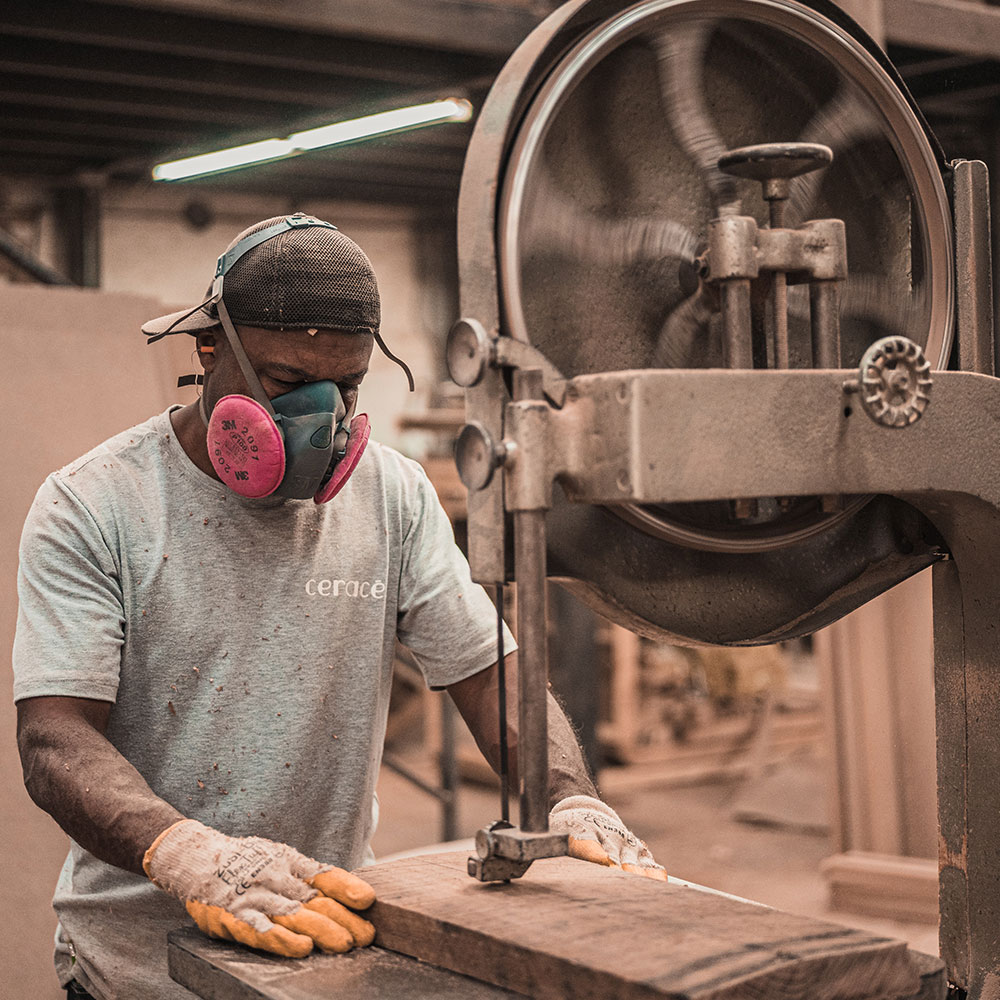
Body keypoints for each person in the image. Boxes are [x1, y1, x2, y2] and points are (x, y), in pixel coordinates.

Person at [13, 213, 664, 1000]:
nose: (320, 417)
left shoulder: (390, 494)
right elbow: (55, 737)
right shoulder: (94, 504)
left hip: (322, 943)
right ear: (208, 348)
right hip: (135, 967)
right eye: (289, 385)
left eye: (347, 387)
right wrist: (190, 856)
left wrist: (569, 795)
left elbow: (487, 671)